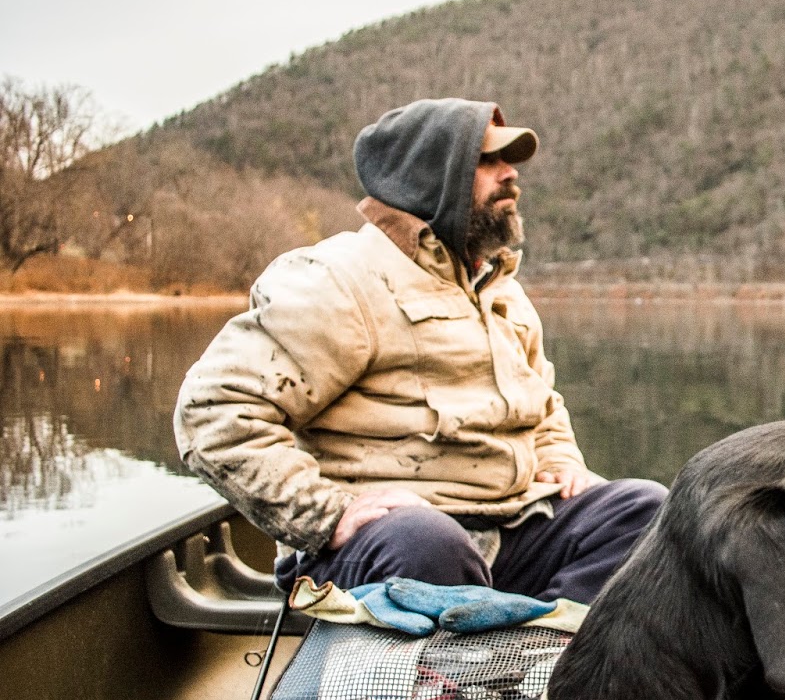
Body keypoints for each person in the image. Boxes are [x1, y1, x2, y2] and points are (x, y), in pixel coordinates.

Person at [173, 98, 666, 603]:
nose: (510, 175)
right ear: (431, 177)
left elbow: (545, 406)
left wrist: (560, 458)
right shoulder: (341, 279)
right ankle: (449, 675)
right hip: (386, 546)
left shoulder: (500, 290)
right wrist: (329, 514)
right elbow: (212, 413)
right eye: (487, 161)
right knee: (429, 545)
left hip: (510, 527)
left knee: (648, 511)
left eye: (508, 162)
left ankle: (543, 655)